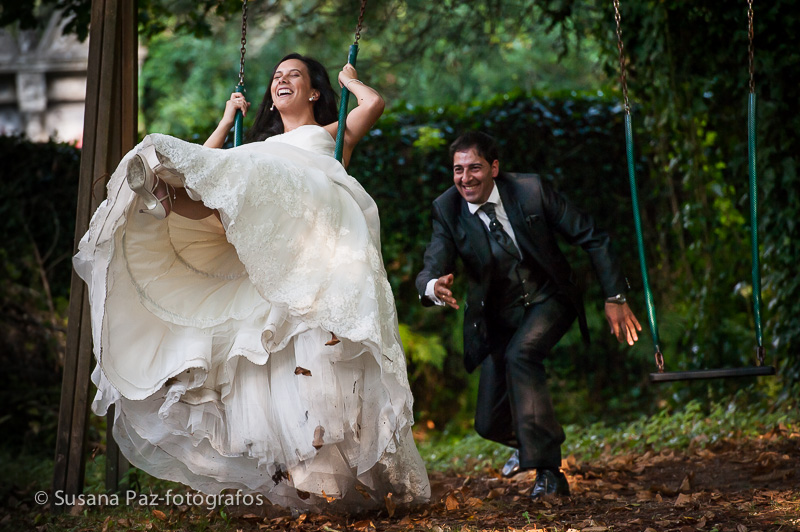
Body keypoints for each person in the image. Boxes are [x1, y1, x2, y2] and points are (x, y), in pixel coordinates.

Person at [75, 53, 430, 510]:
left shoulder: (327, 135)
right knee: (229, 177)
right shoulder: (255, 149)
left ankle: (330, 463)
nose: (281, 81)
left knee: (248, 174)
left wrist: (350, 82)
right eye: (277, 77)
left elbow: (374, 104)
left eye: (294, 76)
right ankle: (164, 193)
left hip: (311, 231)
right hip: (268, 246)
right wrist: (226, 120)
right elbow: (209, 165)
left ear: (313, 92)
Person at [415, 131, 641, 500]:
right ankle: (531, 440)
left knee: (523, 355)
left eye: (474, 168)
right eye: (458, 170)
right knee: (488, 423)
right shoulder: (447, 208)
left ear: (494, 167)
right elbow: (432, 263)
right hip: (499, 316)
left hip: (548, 297)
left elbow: (593, 237)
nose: (465, 178)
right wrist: (432, 286)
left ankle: (549, 474)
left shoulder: (530, 191)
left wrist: (615, 295)